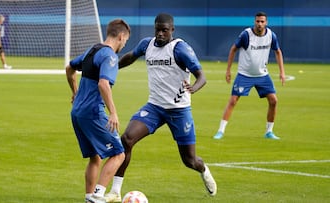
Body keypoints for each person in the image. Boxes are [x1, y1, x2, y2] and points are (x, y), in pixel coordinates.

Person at [105, 13, 217, 202]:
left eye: (164, 30)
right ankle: (115, 192)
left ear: (172, 30)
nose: (160, 34)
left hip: (179, 111)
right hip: (154, 108)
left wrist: (194, 88)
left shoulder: (180, 49)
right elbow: (131, 57)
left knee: (189, 161)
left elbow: (202, 76)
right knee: (126, 139)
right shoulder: (147, 45)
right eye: (157, 29)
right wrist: (111, 67)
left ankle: (203, 170)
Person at [66, 19, 130, 203]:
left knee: (95, 158)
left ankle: (88, 198)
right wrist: (113, 112)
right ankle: (98, 195)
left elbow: (69, 68)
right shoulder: (109, 56)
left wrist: (75, 92)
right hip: (93, 112)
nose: (124, 44)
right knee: (118, 154)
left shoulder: (91, 50)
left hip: (77, 113)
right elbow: (103, 84)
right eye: (125, 40)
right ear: (120, 36)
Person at [213, 11, 285, 140]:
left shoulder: (271, 36)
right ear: (254, 22)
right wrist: (228, 70)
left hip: (262, 75)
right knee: (233, 101)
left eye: (262, 21)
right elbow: (233, 49)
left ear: (266, 23)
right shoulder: (246, 35)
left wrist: (282, 72)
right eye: (257, 21)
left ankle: (269, 132)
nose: (259, 24)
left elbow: (278, 51)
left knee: (274, 100)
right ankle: (220, 131)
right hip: (244, 75)